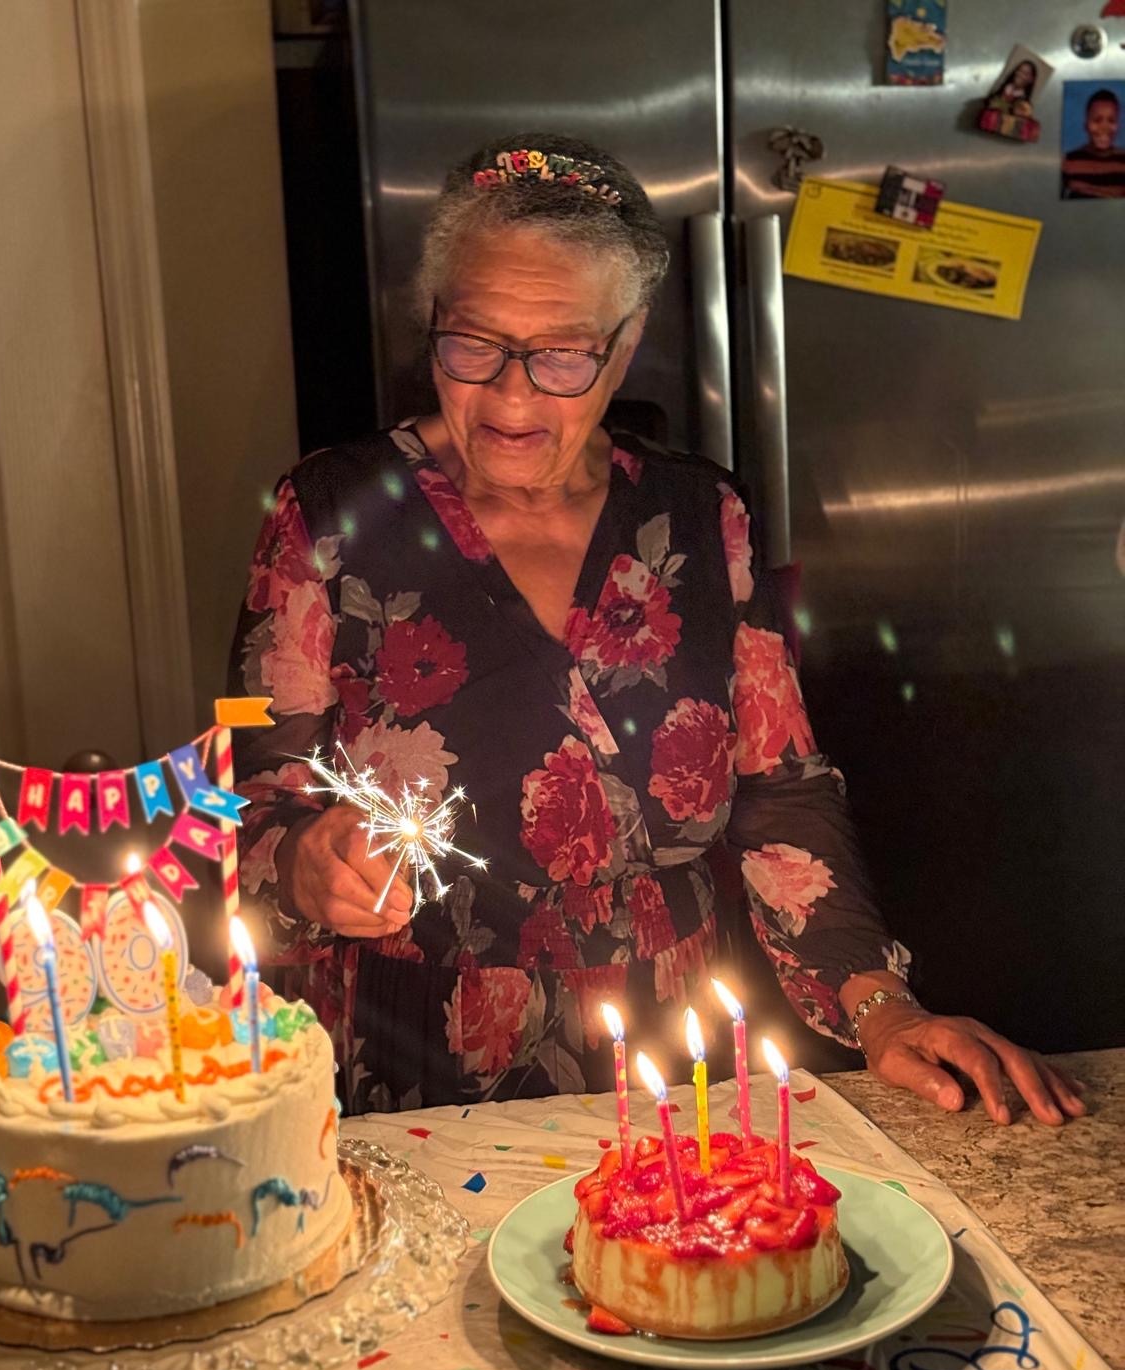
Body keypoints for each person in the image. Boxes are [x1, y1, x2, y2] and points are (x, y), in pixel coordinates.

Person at [228, 133, 1084, 1126]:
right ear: (433, 321)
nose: (511, 394)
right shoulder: (327, 514)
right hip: (413, 1065)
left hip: (677, 1063)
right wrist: (303, 864)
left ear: (625, 344)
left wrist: (882, 1008)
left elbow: (780, 792)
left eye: (561, 354)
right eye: (473, 344)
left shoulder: (701, 516)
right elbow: (248, 801)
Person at [1062, 88, 1125, 199]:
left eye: (1111, 120)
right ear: (1086, 125)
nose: (1104, 127)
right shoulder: (1069, 162)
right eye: (1097, 120)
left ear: (1118, 126)